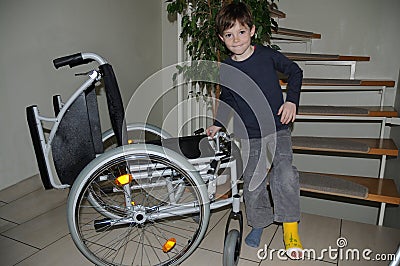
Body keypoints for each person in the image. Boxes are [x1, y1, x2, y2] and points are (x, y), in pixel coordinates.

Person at [206, 2, 304, 259]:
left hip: (278, 128)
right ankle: (259, 222)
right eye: (229, 35)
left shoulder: (267, 56)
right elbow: (226, 98)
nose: (235, 39)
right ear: (221, 38)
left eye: (241, 32)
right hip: (249, 134)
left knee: (284, 173)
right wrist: (218, 122)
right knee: (252, 184)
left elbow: (295, 71)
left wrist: (291, 100)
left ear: (252, 30)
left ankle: (290, 226)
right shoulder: (226, 69)